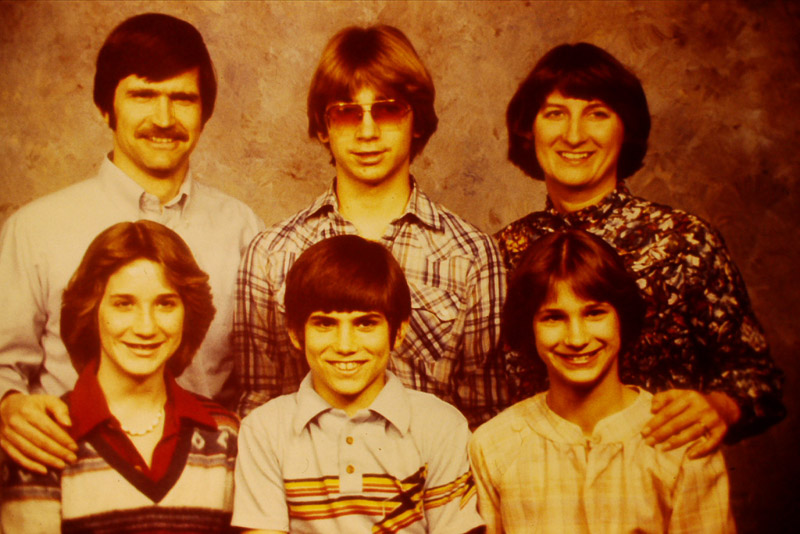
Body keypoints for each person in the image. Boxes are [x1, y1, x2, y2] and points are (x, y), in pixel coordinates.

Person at [0, 13, 263, 474]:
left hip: (210, 485)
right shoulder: (35, 228)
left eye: (182, 99)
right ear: (106, 108)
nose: (164, 118)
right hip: (68, 478)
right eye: (143, 95)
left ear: (204, 113)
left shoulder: (244, 230)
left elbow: (264, 381)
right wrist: (7, 405)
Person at [495, 42, 784, 455]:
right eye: (555, 113)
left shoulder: (683, 242)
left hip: (661, 473)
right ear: (529, 128)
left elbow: (760, 380)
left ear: (625, 129)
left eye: (597, 113)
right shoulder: (502, 252)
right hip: (536, 479)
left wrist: (721, 406)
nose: (573, 135)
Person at [235, 25, 507, 427]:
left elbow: (486, 415)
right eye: (347, 113)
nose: (367, 132)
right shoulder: (272, 254)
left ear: (417, 121)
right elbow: (259, 403)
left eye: (388, 110)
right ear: (323, 128)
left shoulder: (470, 254)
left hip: (428, 464)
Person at [470, 229, 735, 533]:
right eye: (553, 317)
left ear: (622, 317)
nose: (577, 338)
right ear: (529, 327)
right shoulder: (494, 445)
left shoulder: (682, 438)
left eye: (594, 313)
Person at [232, 235, 484, 533]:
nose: (345, 346)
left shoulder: (441, 425)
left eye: (366, 323)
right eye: (325, 323)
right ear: (295, 333)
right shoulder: (264, 429)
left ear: (399, 331)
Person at [1, 221, 239, 533]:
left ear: (188, 313)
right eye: (123, 304)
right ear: (91, 310)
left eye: (165, 304)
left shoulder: (226, 433)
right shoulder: (41, 437)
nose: (146, 327)